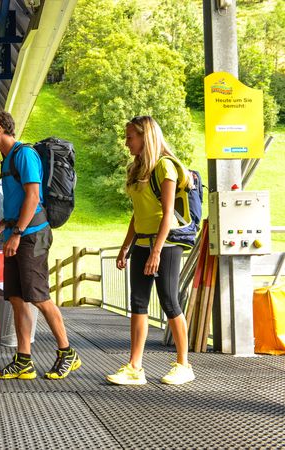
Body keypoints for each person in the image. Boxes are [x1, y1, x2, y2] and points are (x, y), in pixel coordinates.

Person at [0, 109, 81, 380]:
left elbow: (33, 196)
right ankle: (24, 360)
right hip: (17, 233)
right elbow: (15, 202)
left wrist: (17, 233)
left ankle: (67, 353)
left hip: (32, 235)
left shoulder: (24, 155)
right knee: (16, 298)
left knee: (39, 297)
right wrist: (0, 227)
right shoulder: (7, 160)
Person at [107, 115, 195, 386]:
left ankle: (184, 364)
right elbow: (137, 214)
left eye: (130, 137)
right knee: (138, 303)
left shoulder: (165, 167)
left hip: (165, 244)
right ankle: (135, 367)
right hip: (142, 242)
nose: (126, 142)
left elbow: (168, 214)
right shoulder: (135, 169)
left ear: (146, 137)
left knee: (169, 300)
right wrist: (125, 248)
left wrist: (157, 251)